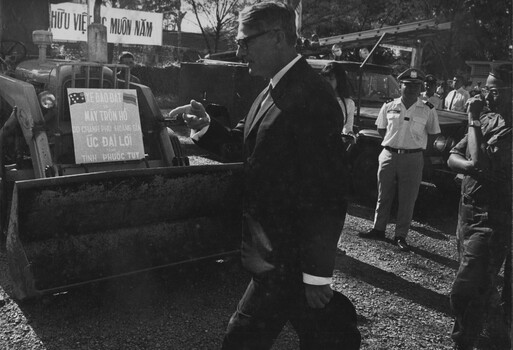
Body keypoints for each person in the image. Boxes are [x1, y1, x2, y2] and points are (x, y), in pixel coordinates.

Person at [168, 2, 361, 349]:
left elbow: (328, 192)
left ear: (276, 37)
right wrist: (207, 128)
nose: (240, 50)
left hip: (292, 262)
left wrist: (318, 274)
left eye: (246, 41)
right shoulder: (271, 88)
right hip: (273, 257)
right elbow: (248, 148)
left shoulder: (313, 97)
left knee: (241, 340)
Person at [447, 65, 511, 350]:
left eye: (494, 90)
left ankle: (465, 340)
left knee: (464, 288)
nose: (486, 95)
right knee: (477, 281)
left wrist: (472, 121)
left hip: (493, 218)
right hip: (467, 211)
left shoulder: (498, 126)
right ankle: (486, 333)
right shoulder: (488, 120)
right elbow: (453, 156)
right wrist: (471, 166)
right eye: (486, 89)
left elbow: (480, 161)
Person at [358, 68, 440, 251]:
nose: (411, 89)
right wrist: (392, 142)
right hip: (388, 154)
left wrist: (417, 147)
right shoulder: (389, 106)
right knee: (383, 194)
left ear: (420, 88)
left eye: (416, 86)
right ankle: (378, 229)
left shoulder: (428, 109)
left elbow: (433, 134)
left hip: (413, 157)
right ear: (400, 86)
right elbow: (381, 129)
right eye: (407, 85)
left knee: (407, 199)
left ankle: (400, 236)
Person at [320, 62, 355, 134]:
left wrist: (350, 135)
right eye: (325, 79)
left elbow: (347, 128)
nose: (327, 82)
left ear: (339, 80)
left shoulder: (348, 103)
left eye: (331, 79)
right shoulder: (316, 99)